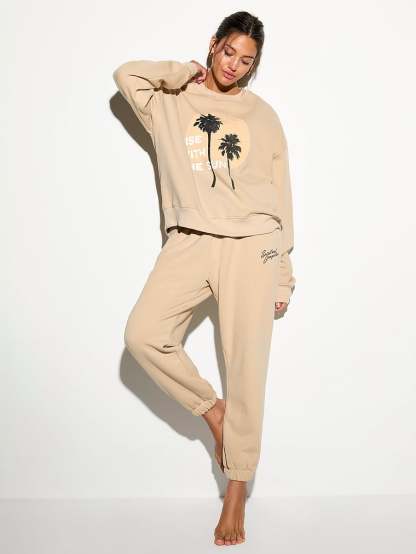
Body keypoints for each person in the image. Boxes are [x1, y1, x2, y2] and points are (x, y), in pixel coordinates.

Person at [113, 10, 296, 547]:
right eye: (229, 52)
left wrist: (282, 271)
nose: (235, 66)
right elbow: (126, 75)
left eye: (247, 61)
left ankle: (236, 490)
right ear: (213, 45)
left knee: (247, 370)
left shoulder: (263, 116)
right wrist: (183, 71)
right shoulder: (170, 101)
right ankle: (213, 411)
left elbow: (279, 196)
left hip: (252, 247)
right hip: (189, 240)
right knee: (144, 335)